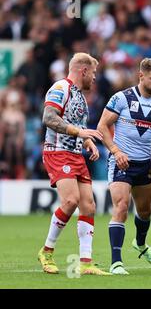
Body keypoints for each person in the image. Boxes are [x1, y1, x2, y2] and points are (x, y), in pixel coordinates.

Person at [97, 58, 151, 275]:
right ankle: (116, 262)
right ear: (141, 76)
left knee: (145, 211)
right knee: (121, 207)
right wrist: (116, 151)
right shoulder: (122, 98)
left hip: (144, 164)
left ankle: (140, 244)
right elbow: (102, 126)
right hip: (121, 161)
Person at [38, 52, 110, 275]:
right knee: (70, 201)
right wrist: (79, 132)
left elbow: (76, 124)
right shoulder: (61, 88)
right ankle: (46, 251)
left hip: (76, 154)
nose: (95, 78)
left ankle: (85, 263)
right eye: (94, 73)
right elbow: (49, 118)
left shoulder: (79, 96)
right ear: (84, 70)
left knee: (88, 206)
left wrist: (87, 141)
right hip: (58, 152)